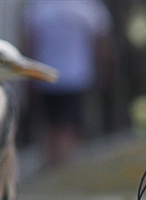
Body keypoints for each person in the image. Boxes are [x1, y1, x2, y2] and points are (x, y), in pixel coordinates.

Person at [24, 0, 112, 167]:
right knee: (67, 127)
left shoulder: (38, 7)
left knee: (52, 126)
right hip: (74, 77)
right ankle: (62, 165)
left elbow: (29, 42)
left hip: (50, 77)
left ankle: (54, 165)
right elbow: (100, 43)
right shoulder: (88, 7)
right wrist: (102, 73)